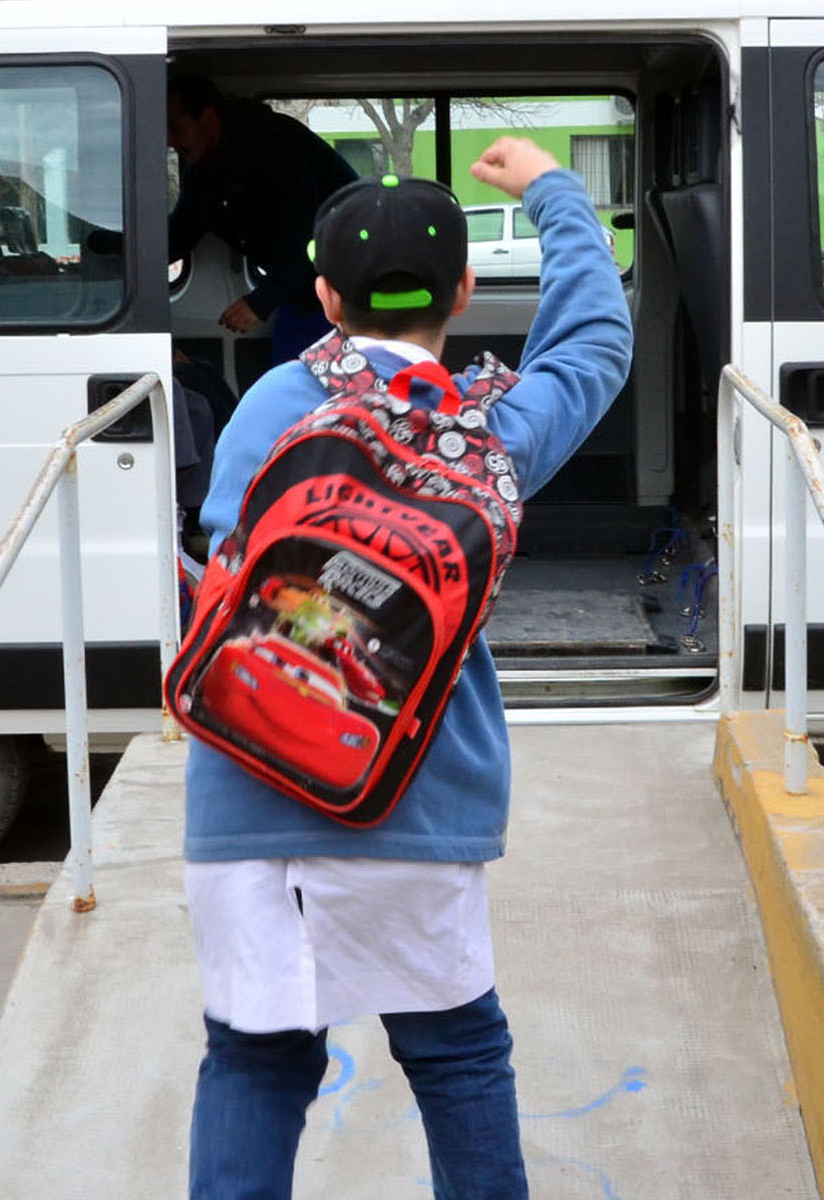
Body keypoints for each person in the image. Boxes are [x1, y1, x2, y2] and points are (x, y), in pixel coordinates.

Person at [181, 138, 632, 1200]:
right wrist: (556, 195)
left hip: (243, 797)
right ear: (464, 292)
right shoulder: (491, 430)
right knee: (458, 1056)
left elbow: (224, 560)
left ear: (326, 294)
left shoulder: (268, 409)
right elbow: (595, 340)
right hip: (410, 802)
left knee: (253, 1059)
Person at [166, 76, 359, 365]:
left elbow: (304, 232)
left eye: (175, 126)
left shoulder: (276, 145)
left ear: (207, 117)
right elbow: (182, 232)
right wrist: (110, 245)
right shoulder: (205, 166)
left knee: (314, 389)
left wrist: (260, 302)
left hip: (345, 287)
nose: (169, 140)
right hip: (302, 292)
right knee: (292, 385)